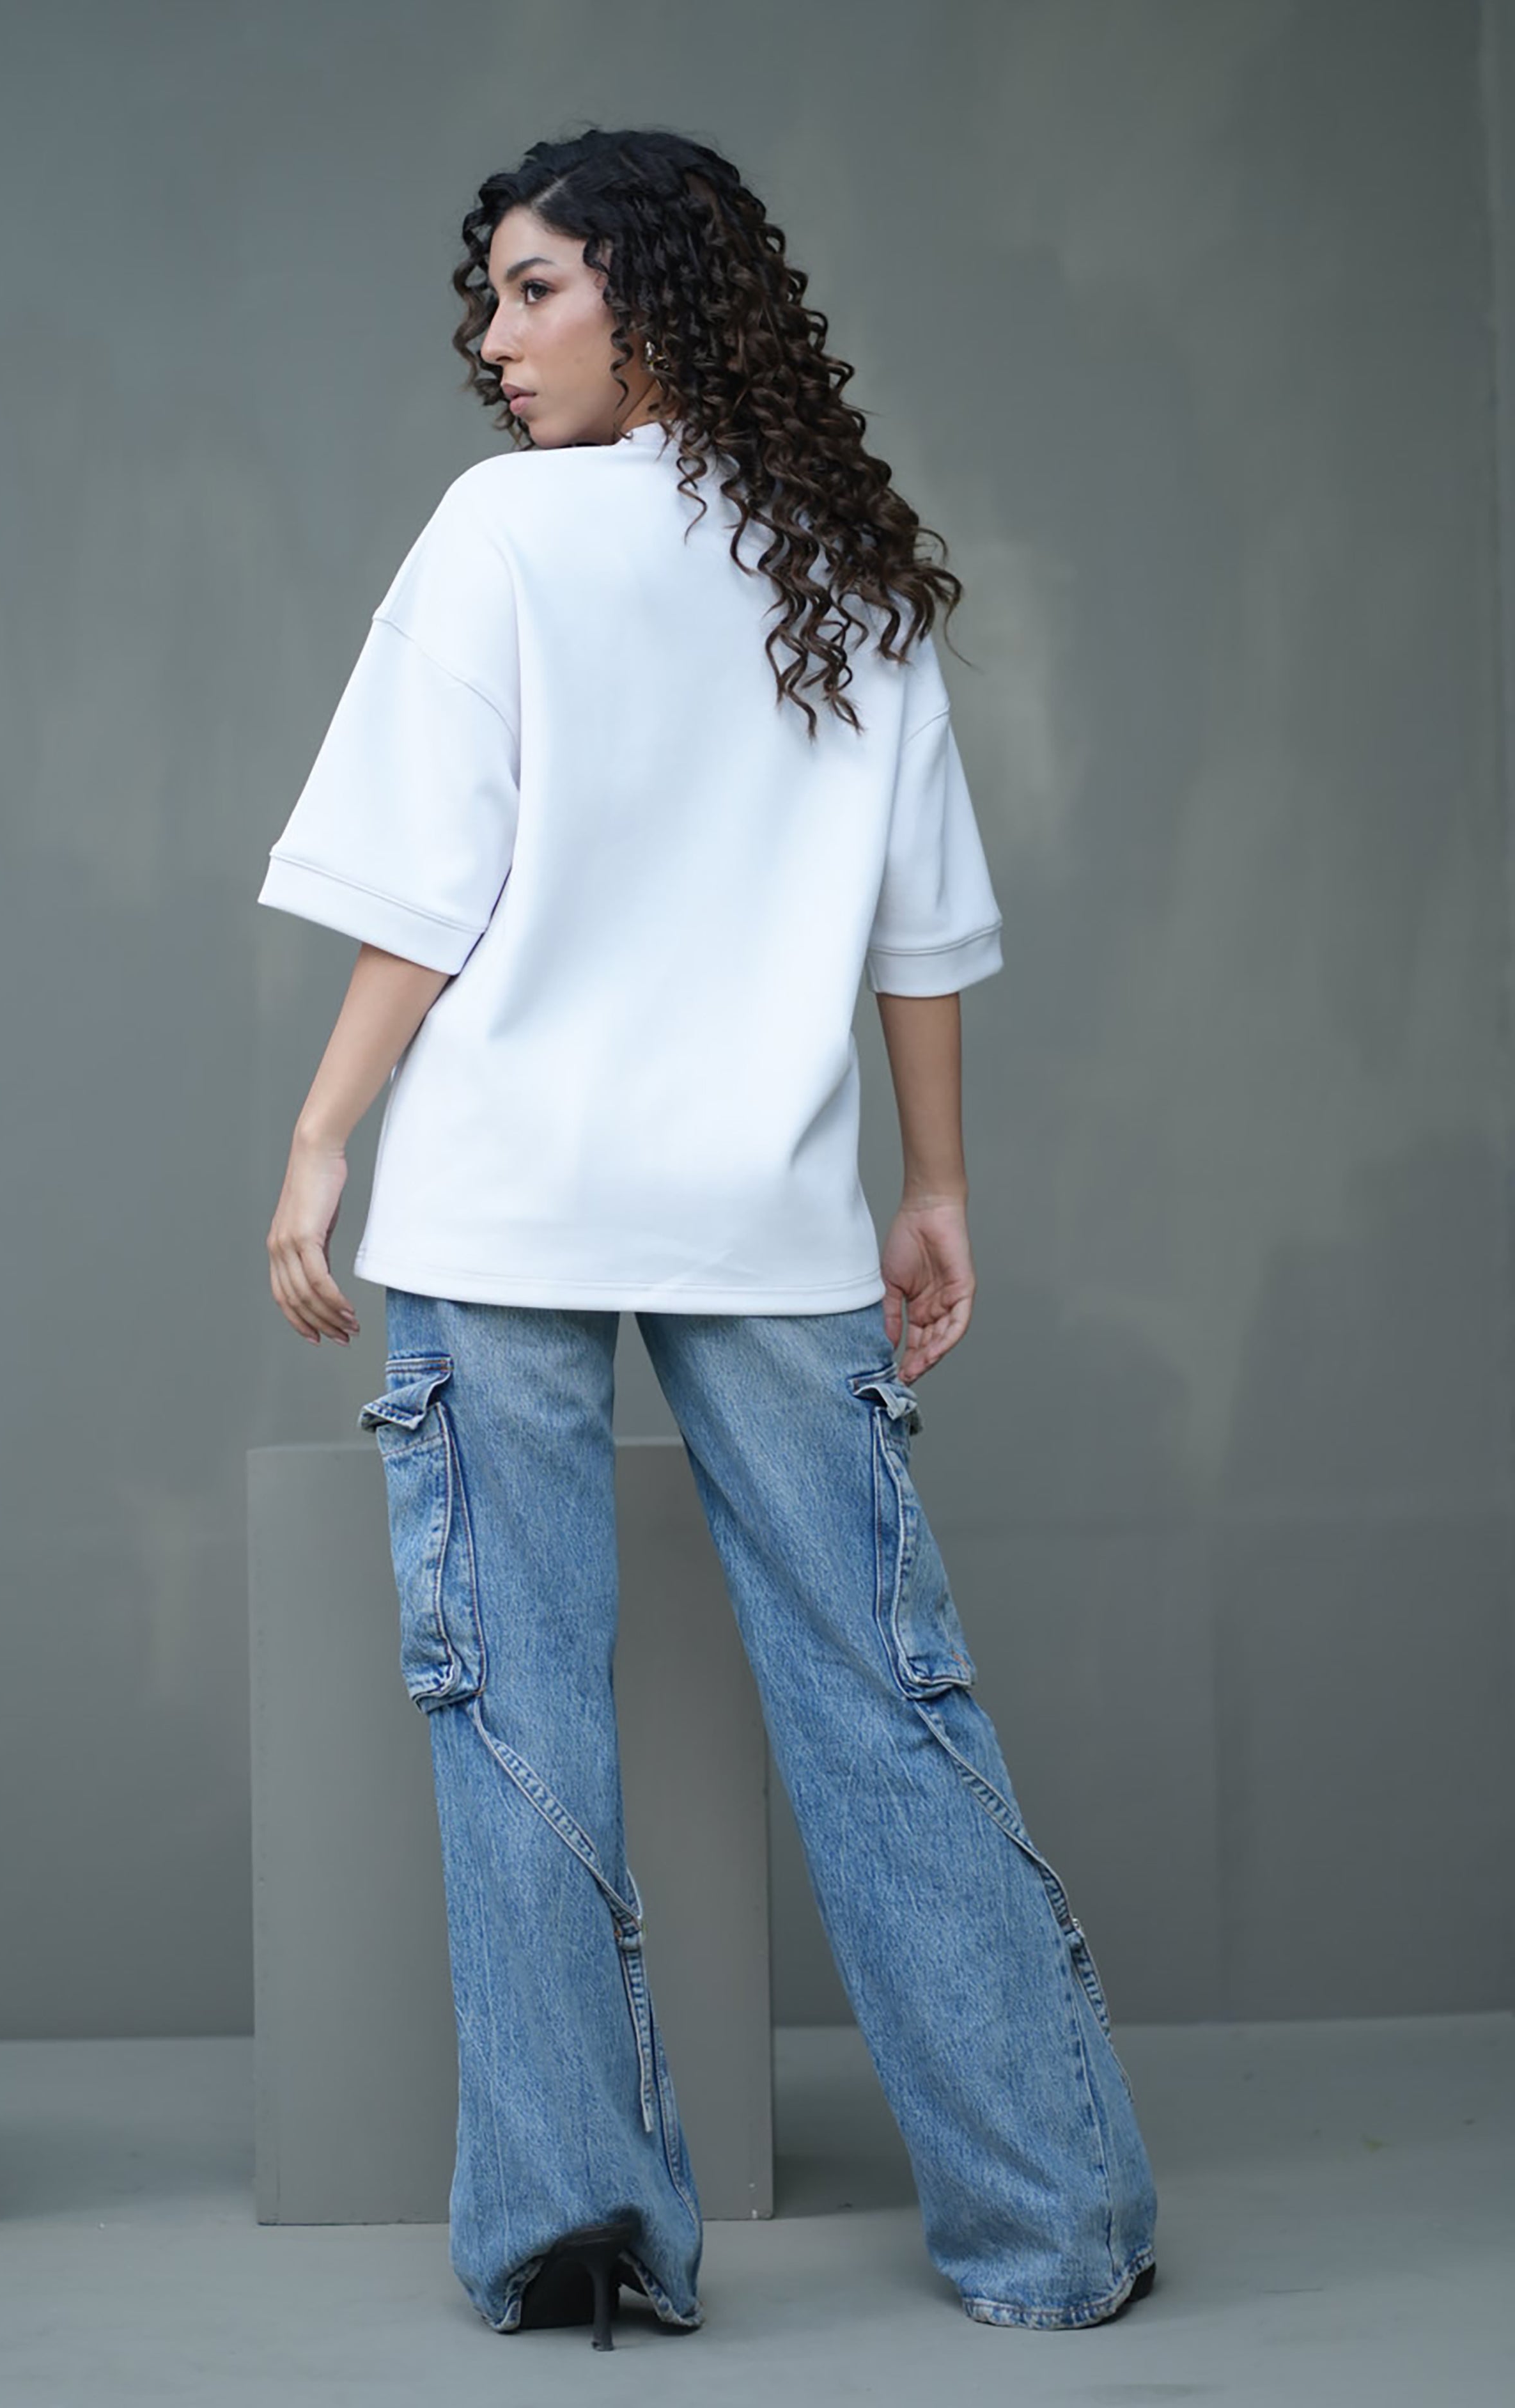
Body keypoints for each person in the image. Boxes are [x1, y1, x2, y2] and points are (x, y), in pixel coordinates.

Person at [258, 125, 1159, 2344]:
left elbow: (424, 896)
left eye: (536, 291)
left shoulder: (501, 534)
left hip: (503, 1202)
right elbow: (919, 942)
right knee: (884, 1695)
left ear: (653, 298)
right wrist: (933, 1188)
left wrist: (318, 1140)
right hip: (767, 1209)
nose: (496, 342)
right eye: (492, 298)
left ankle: (579, 2231)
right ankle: (1051, 2228)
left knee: (513, 1703)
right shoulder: (847, 563)